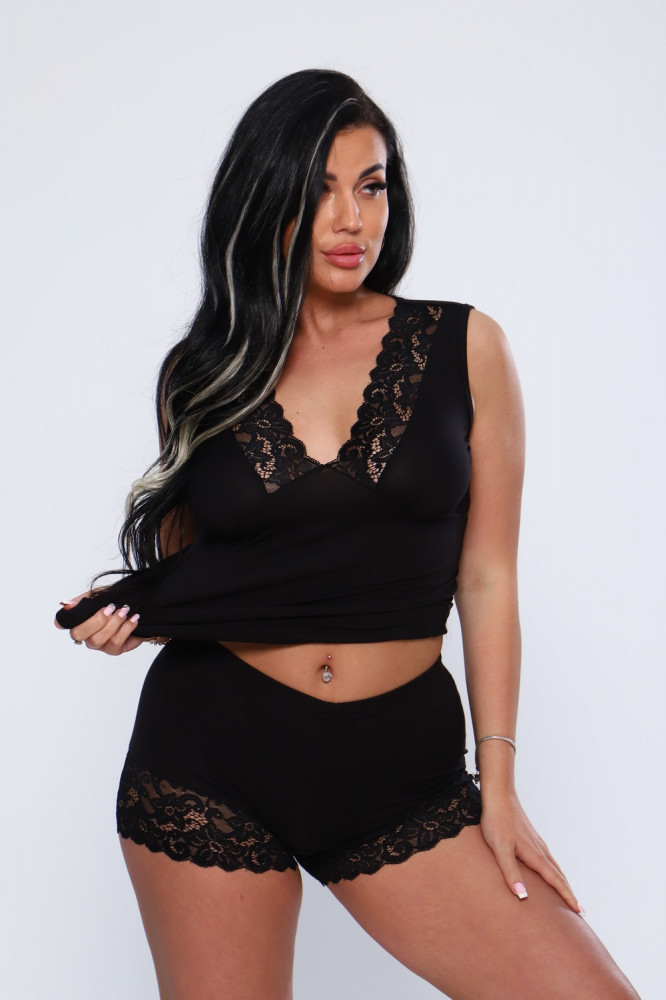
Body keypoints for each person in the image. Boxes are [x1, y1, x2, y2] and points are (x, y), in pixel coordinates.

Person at [55, 70, 639, 1000]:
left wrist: (498, 784)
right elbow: (217, 576)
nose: (350, 219)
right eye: (318, 189)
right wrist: (131, 615)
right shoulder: (200, 374)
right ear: (265, 198)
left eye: (371, 186)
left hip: (400, 771)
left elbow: (487, 576)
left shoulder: (467, 346)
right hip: (210, 755)